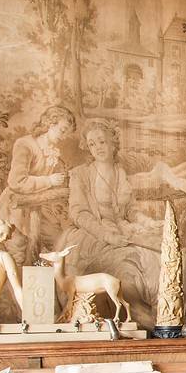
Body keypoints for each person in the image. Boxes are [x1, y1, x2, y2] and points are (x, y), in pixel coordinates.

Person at [61, 118, 158, 328]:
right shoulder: (80, 174)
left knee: (153, 259)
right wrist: (107, 235)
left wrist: (147, 222)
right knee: (125, 269)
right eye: (92, 144)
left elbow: (130, 209)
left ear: (112, 142)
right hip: (92, 235)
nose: (97, 147)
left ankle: (158, 315)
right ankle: (137, 317)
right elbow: (79, 213)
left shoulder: (119, 172)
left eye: (102, 141)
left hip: (121, 231)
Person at [0, 105, 75, 264]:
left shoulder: (52, 150)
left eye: (67, 133)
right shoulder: (25, 144)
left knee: (59, 241)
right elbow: (16, 182)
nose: (64, 137)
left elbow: (53, 182)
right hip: (16, 208)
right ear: (50, 124)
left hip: (38, 208)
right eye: (63, 130)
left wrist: (65, 178)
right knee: (19, 250)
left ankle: (52, 277)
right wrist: (49, 180)